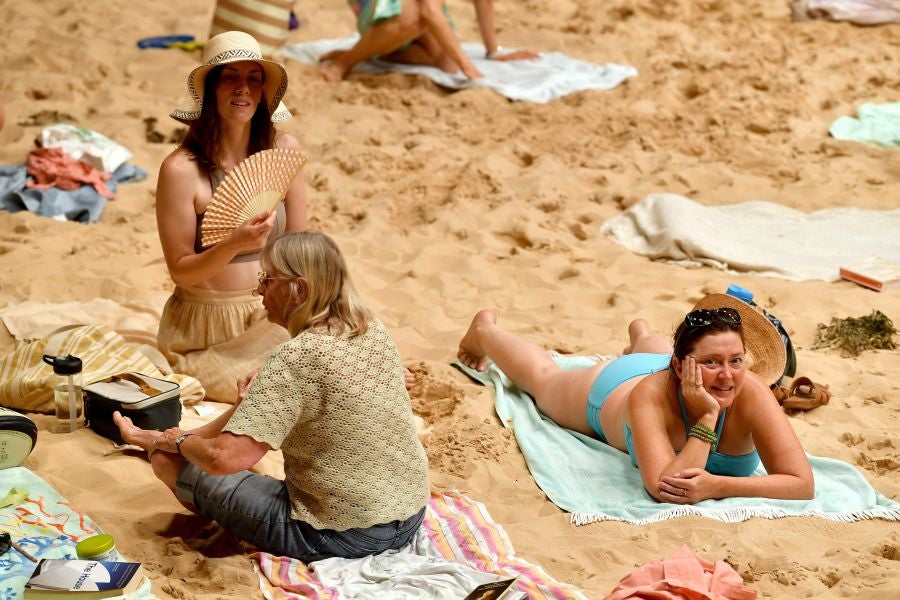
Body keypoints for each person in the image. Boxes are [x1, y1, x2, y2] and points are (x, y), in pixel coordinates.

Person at [114, 230, 430, 561]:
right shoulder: (369, 328)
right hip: (408, 513)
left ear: (299, 289)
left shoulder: (296, 357)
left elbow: (223, 459)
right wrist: (161, 437)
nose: (259, 290)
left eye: (267, 280)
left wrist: (177, 442)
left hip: (343, 534)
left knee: (169, 462)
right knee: (180, 450)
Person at [457, 294, 814, 504]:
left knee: (658, 353)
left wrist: (719, 485)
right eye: (712, 362)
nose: (727, 375)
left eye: (735, 361)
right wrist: (708, 417)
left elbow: (802, 484)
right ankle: (484, 330)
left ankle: (641, 335)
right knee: (544, 381)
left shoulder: (751, 390)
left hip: (668, 364)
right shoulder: (648, 394)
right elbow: (666, 487)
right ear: (680, 367)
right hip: (616, 388)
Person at [157, 30, 308, 403]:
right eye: (230, 77)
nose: (243, 89)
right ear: (210, 89)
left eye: (253, 79)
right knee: (278, 389)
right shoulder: (181, 170)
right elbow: (181, 271)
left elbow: (301, 247)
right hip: (208, 329)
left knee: (333, 362)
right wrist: (233, 244)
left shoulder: (283, 149)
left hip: (275, 312)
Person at [319, 0, 539, 82]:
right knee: (413, 18)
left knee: (447, 63)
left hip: (417, 9)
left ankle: (370, 51)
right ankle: (345, 62)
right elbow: (429, 11)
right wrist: (468, 66)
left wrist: (494, 51)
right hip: (384, 8)